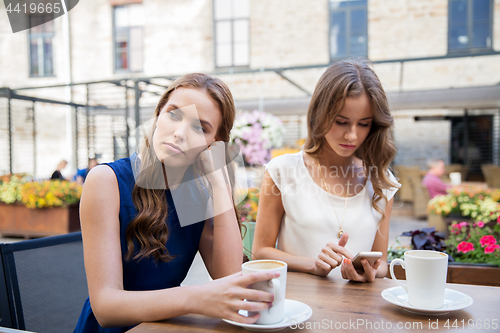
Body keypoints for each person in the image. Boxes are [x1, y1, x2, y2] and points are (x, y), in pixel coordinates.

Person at [74, 74, 277, 333]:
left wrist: (219, 183)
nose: (179, 133)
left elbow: (229, 278)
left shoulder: (196, 195)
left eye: (200, 128)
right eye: (174, 114)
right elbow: (105, 307)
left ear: (213, 144)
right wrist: (197, 298)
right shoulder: (107, 181)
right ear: (158, 115)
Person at [253, 58, 400, 283]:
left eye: (363, 124)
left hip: (359, 313)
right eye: (341, 122)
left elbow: (382, 266)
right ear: (320, 114)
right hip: (299, 309)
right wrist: (313, 264)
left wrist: (368, 272)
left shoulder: (381, 180)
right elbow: (261, 252)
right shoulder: (282, 171)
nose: (352, 135)